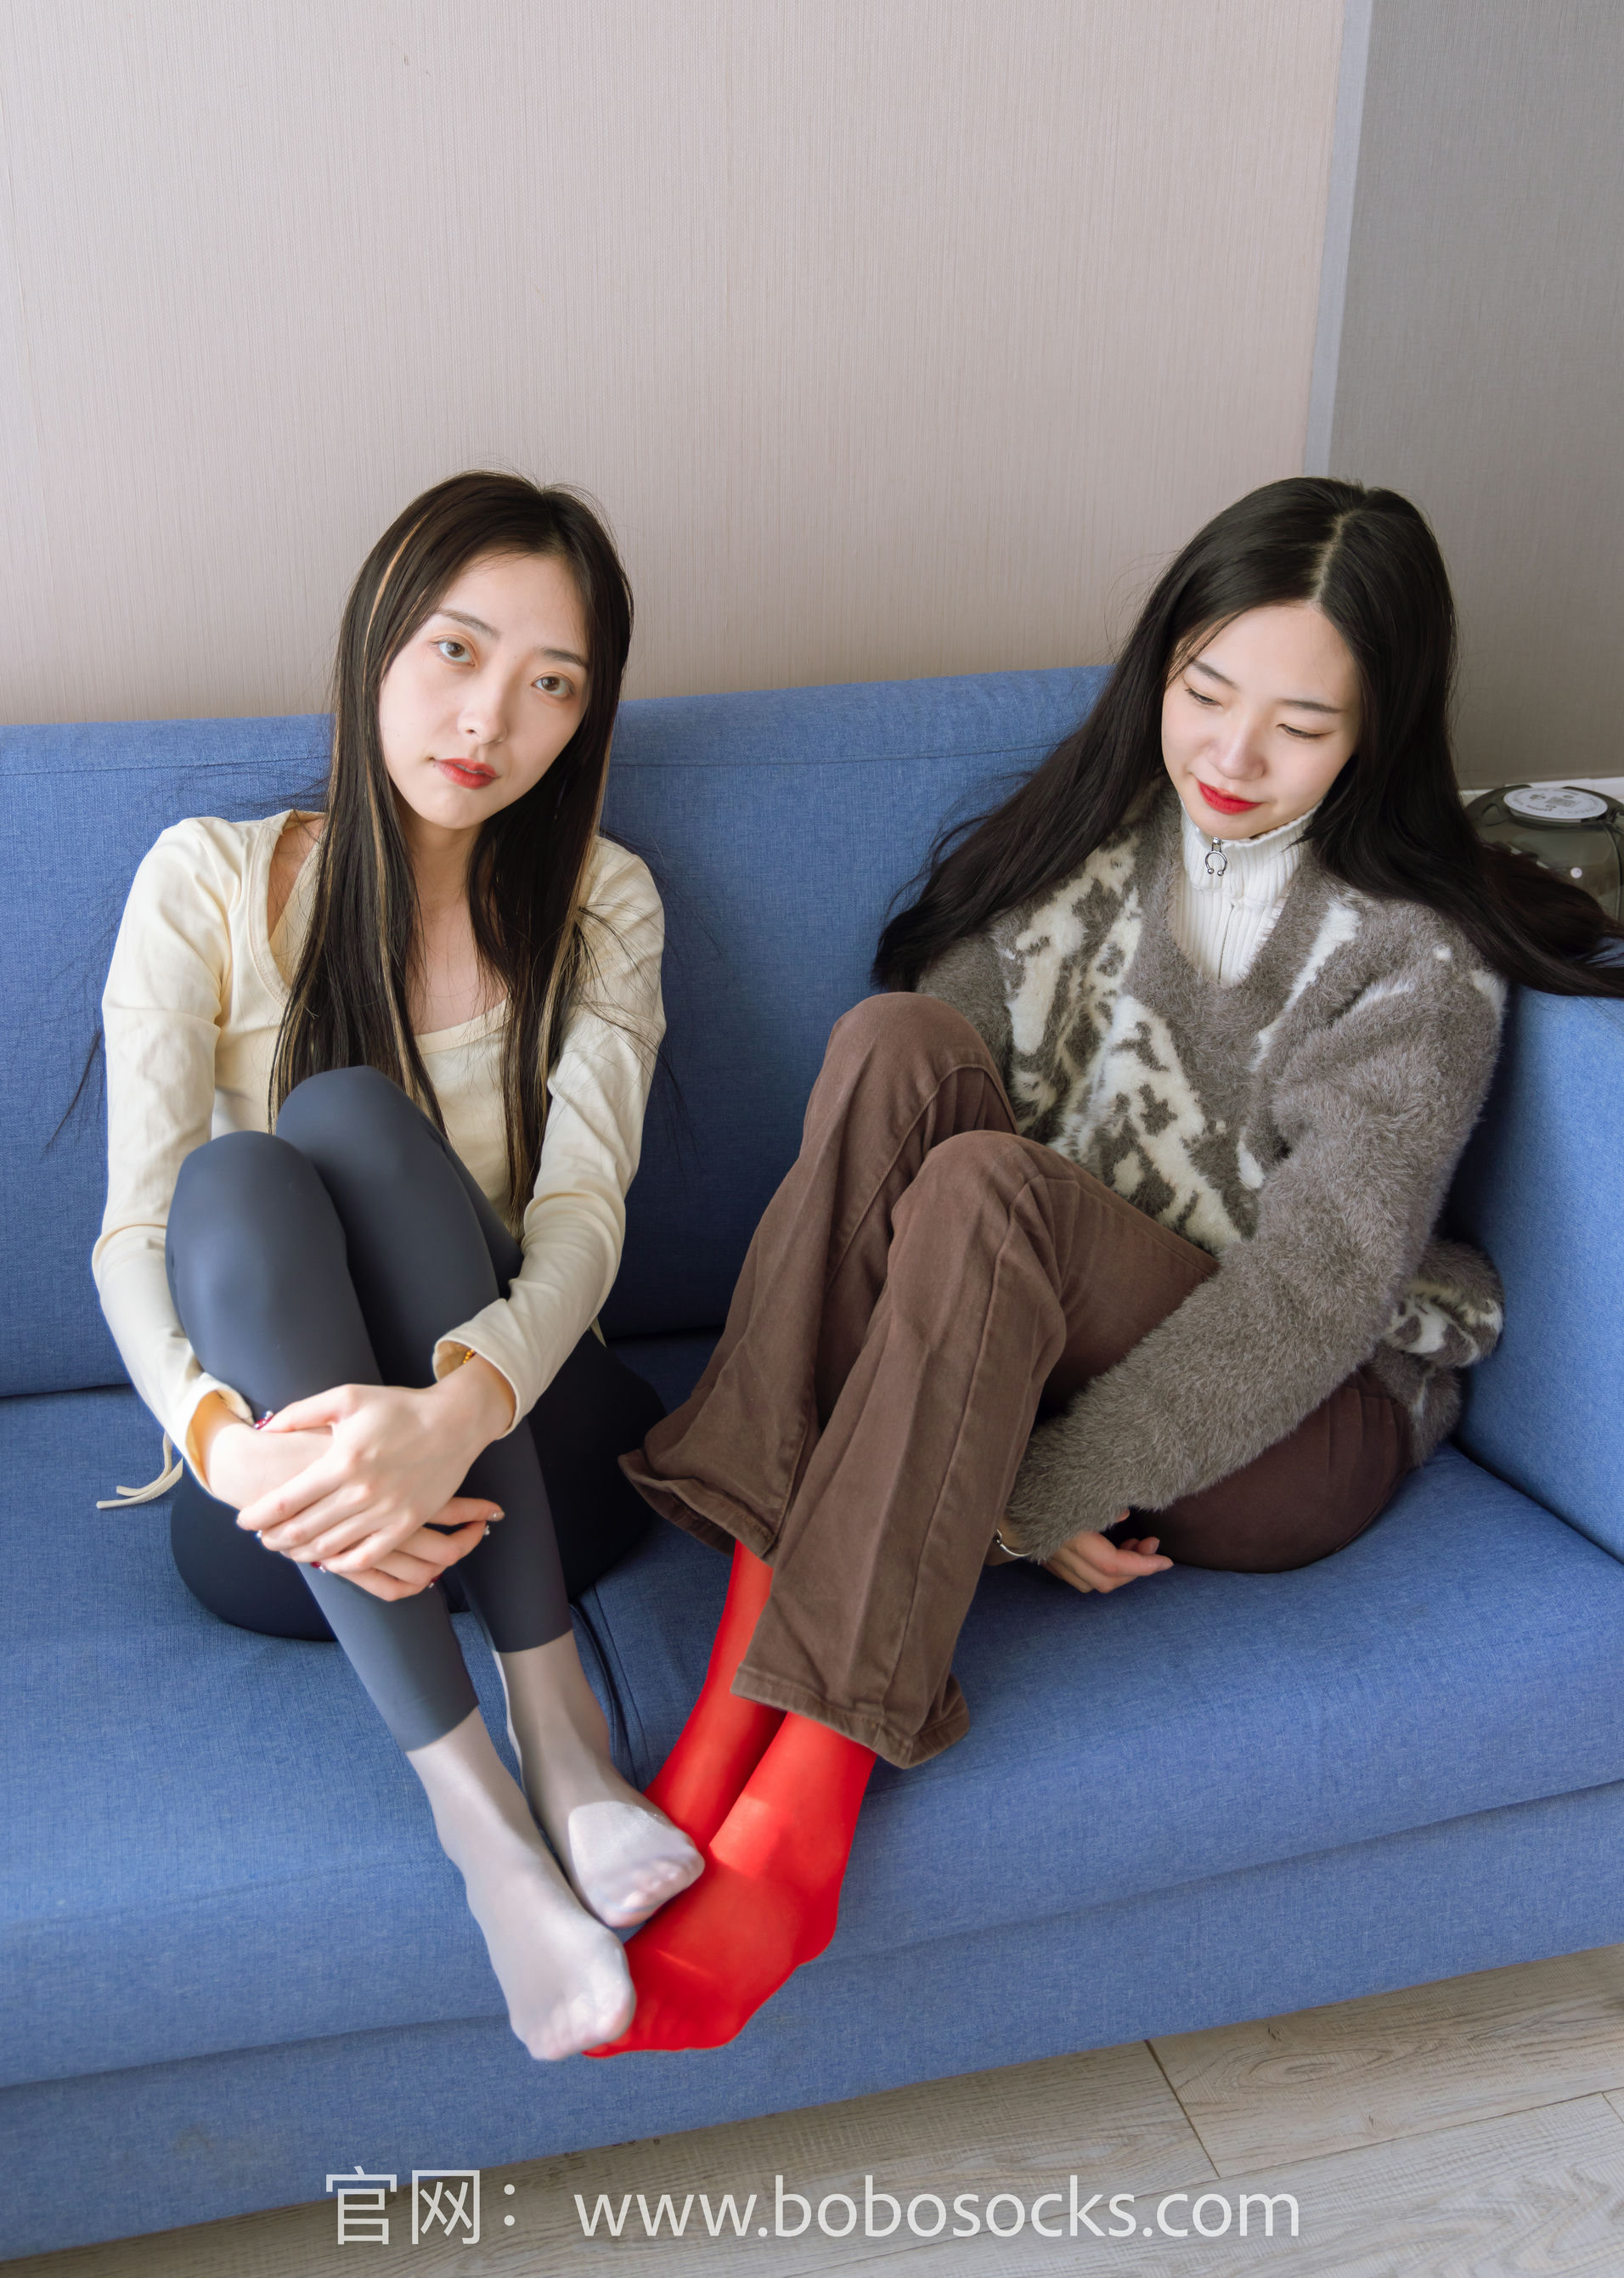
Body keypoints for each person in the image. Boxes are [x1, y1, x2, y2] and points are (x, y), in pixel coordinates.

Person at [588, 476, 1624, 2058]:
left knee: (996, 1185)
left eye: (1299, 724)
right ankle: (738, 1692)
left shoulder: (1417, 959)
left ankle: (806, 1803)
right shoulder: (1096, 842)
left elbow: (1307, 1304)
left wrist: (1033, 1494)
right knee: (896, 1043)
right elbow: (908, 1152)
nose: (1231, 756)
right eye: (1205, 691)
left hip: (1303, 1421)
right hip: (1063, 1329)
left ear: (1378, 734)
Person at [93, 471, 702, 2062]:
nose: (489, 717)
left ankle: (561, 1728)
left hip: (530, 1461)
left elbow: (584, 1219)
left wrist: (453, 1412)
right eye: (456, 650)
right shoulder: (205, 880)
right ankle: (483, 1827)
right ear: (376, 636)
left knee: (351, 1117)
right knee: (234, 1178)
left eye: (553, 683)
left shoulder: (603, 899)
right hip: (287, 1521)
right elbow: (134, 1234)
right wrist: (230, 1451)